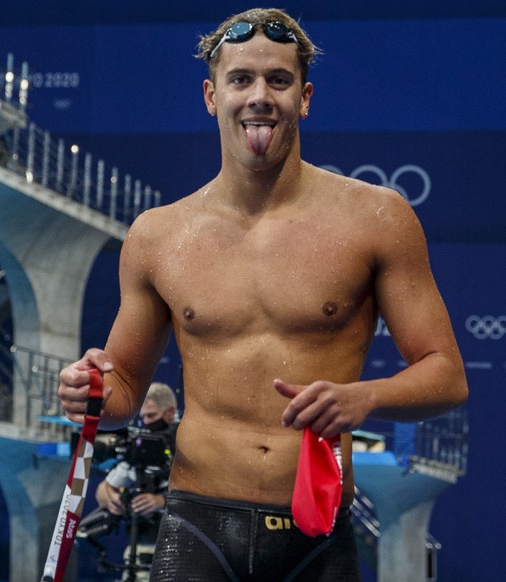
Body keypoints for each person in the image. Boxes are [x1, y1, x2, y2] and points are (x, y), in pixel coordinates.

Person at [59, 7, 468, 581]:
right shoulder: (159, 235)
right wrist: (92, 390)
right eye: (241, 79)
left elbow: (447, 373)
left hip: (315, 532)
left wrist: (364, 398)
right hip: (197, 524)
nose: (259, 96)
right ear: (211, 94)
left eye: (278, 80)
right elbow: (123, 387)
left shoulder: (377, 218)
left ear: (304, 97)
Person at [94, 382, 178, 581]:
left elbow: (205, 497)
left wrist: (162, 502)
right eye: (143, 418)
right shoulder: (139, 450)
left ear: (170, 413)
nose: (147, 423)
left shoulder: (186, 447)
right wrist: (111, 500)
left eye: (152, 416)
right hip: (139, 551)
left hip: (179, 551)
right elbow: (103, 489)